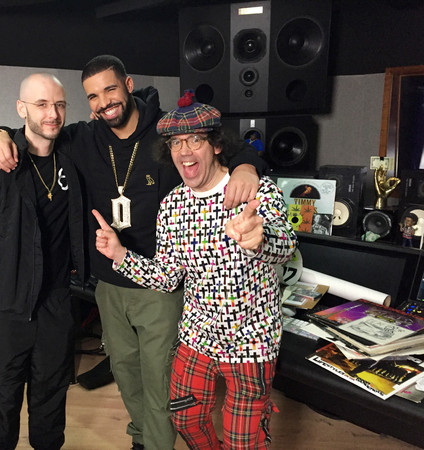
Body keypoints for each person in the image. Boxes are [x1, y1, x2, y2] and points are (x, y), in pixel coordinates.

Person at [0, 55, 269, 450]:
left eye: (111, 89)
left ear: (129, 85)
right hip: (109, 283)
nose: (104, 102)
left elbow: (223, 144)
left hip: (160, 284)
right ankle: (142, 437)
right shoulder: (83, 137)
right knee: (127, 374)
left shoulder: (170, 128)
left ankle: (156, 445)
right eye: (93, 96)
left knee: (160, 380)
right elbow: (36, 132)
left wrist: (247, 168)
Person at [92, 92, 297, 449]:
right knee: (185, 419)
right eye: (176, 143)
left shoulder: (255, 190)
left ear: (216, 145)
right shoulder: (172, 205)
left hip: (251, 342)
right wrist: (121, 254)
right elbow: (168, 277)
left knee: (244, 442)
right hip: (196, 339)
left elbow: (287, 246)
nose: (184, 151)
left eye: (196, 140)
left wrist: (261, 239)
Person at [0, 73, 86, 450]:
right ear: (21, 109)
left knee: (50, 402)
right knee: (0, 404)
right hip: (6, 309)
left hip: (55, 307)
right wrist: (7, 263)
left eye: (60, 104)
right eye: (42, 104)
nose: (53, 114)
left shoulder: (74, 152)